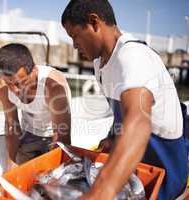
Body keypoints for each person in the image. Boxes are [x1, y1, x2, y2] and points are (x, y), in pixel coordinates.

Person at [61, 0, 188, 199]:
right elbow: (122, 112)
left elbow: (138, 123)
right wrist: (112, 137)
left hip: (164, 172)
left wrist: (102, 191)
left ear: (94, 22)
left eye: (75, 35)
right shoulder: (99, 63)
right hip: (135, 166)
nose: (75, 45)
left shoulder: (132, 56)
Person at [0, 43, 71, 170]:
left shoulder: (53, 87)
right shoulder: (2, 87)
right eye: (10, 83)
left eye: (21, 82)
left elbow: (63, 137)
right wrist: (10, 167)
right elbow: (12, 126)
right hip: (29, 134)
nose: (15, 90)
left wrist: (52, 173)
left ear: (34, 70)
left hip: (54, 137)